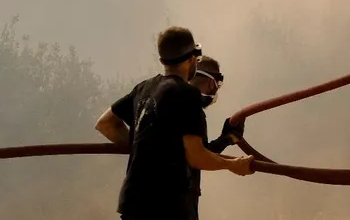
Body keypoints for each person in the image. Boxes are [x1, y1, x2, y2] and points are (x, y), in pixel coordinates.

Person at [95, 27, 254, 220]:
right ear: (192, 59)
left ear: (162, 60)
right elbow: (196, 156)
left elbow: (106, 124)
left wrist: (143, 150)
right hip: (168, 206)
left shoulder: (144, 88)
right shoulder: (187, 94)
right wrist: (233, 165)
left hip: (134, 203)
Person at [186, 56, 246, 220]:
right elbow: (200, 157)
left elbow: (197, 152)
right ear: (212, 83)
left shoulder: (156, 95)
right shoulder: (191, 109)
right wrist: (233, 163)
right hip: (173, 203)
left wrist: (226, 138)